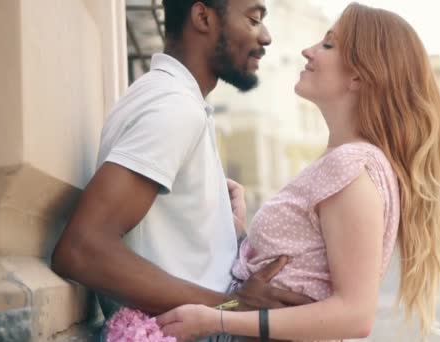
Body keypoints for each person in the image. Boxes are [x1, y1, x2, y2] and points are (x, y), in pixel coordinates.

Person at [156, 3, 440, 341]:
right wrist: (241, 235)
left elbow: (355, 315)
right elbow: (302, 269)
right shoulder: (347, 163)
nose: (308, 51)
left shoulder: (352, 168)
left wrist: (217, 320)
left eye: (328, 45)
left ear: (359, 76)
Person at [50, 0, 312, 336]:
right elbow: (81, 249)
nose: (266, 37)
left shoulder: (175, 100)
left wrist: (217, 225)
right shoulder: (173, 107)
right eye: (253, 19)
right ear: (203, 17)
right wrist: (231, 307)